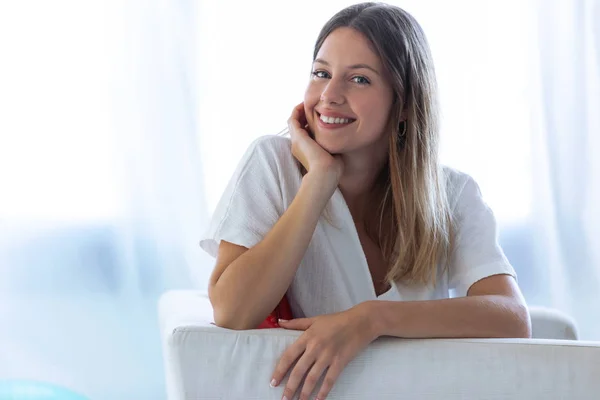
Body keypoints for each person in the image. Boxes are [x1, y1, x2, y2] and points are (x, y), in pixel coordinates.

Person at [200, 2, 531, 399]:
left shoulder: (452, 194)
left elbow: (512, 318)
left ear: (404, 104)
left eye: (359, 80)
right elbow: (232, 312)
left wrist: (370, 319)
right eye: (321, 73)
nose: (329, 95)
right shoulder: (272, 163)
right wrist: (319, 182)